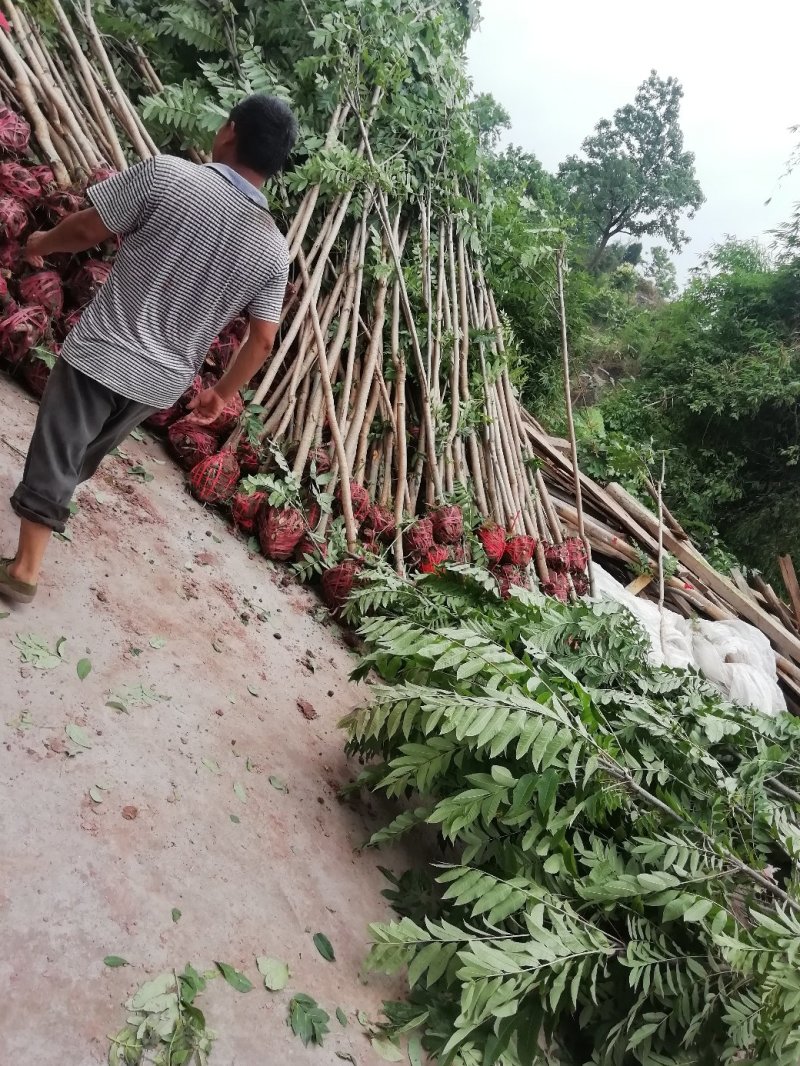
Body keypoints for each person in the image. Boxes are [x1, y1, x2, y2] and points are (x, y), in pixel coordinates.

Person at [0, 93, 296, 603]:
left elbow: (91, 226)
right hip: (160, 382)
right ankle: (44, 511)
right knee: (81, 451)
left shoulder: (169, 176)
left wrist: (40, 243)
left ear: (229, 131)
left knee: (59, 445)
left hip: (106, 346)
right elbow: (263, 338)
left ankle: (24, 570)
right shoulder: (273, 248)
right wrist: (221, 394)